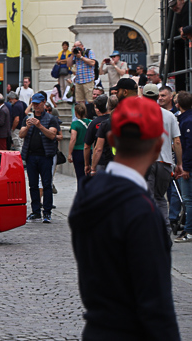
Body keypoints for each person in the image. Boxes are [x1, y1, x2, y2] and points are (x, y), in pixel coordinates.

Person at [68, 96, 180, 341]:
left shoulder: (86, 195)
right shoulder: (143, 212)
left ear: (111, 139)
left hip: (96, 330)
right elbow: (156, 304)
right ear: (157, 145)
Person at [141, 84, 181, 235]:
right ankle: (165, 232)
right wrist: (179, 164)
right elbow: (176, 142)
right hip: (165, 163)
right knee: (161, 198)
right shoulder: (169, 115)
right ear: (157, 96)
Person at [20, 93, 60, 223]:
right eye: (34, 103)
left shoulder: (51, 118)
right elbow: (21, 134)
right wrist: (28, 126)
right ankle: (35, 211)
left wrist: (40, 126)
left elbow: (52, 135)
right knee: (32, 185)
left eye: (38, 103)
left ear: (44, 103)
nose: (36, 106)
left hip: (45, 156)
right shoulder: (27, 118)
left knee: (47, 184)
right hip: (31, 156)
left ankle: (47, 212)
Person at [175, 91, 192, 243]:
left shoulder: (186, 121)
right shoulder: (184, 119)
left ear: (178, 104)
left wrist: (185, 167)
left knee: (188, 199)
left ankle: (189, 230)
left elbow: (188, 146)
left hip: (189, 166)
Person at [84, 94, 111, 176]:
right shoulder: (115, 120)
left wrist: (88, 165)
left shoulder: (94, 123)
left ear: (98, 109)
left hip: (101, 161)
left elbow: (87, 146)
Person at [67, 41, 97, 114]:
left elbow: (93, 62)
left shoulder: (89, 52)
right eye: (74, 46)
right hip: (79, 81)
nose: (76, 48)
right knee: (80, 101)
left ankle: (91, 115)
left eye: (78, 46)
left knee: (90, 100)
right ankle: (82, 116)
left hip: (88, 80)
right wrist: (72, 54)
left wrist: (81, 57)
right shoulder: (74, 54)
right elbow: (68, 64)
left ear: (82, 46)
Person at [68, 104, 91, 183]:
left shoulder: (75, 124)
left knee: (80, 175)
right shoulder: (90, 122)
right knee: (90, 175)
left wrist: (69, 153)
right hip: (90, 150)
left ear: (76, 113)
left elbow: (73, 138)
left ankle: (82, 193)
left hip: (78, 151)